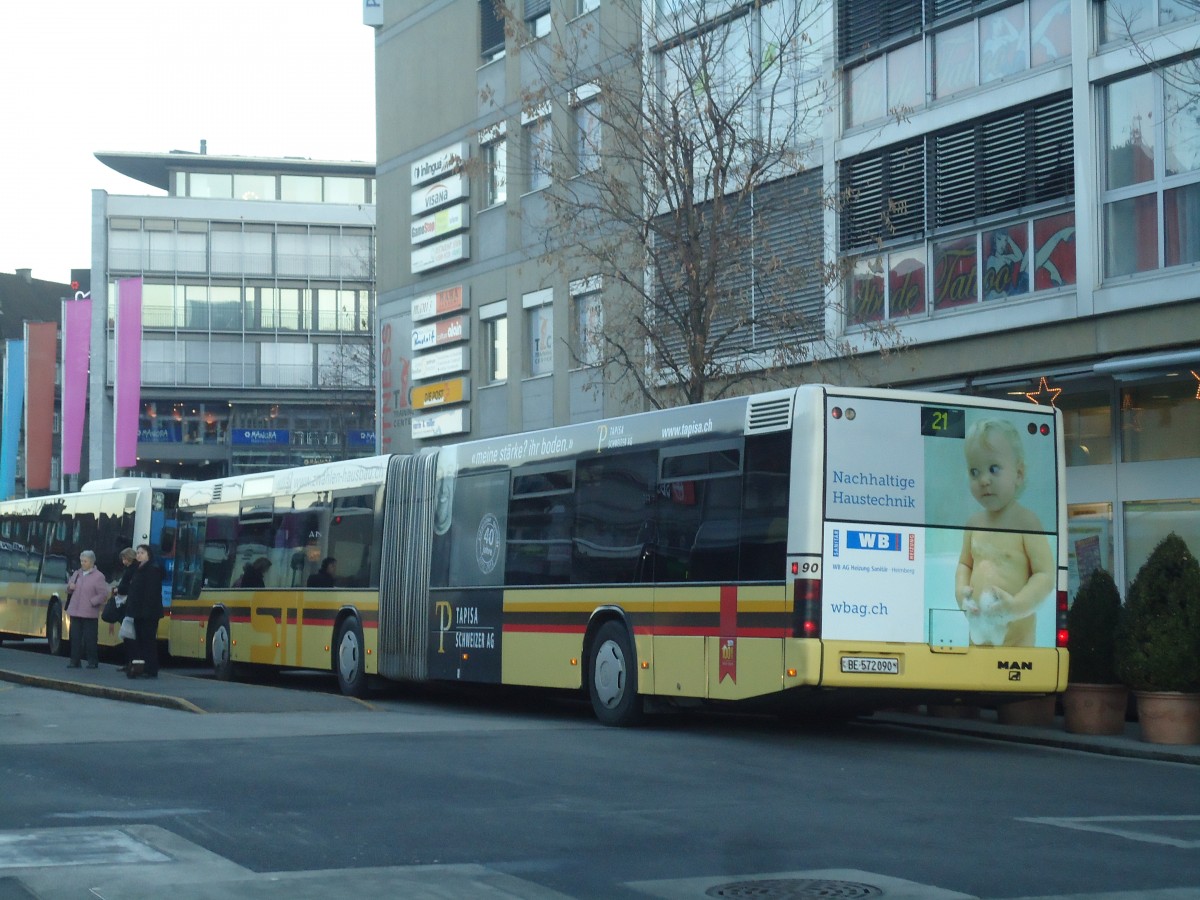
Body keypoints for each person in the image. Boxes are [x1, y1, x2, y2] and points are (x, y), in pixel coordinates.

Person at [955, 419, 1055, 647]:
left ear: (1018, 474)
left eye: (993, 469)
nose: (984, 480)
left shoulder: (1026, 521)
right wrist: (961, 592)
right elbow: (965, 565)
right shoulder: (973, 523)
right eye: (974, 471)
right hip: (979, 634)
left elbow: (1045, 575)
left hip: (1017, 639)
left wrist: (1016, 607)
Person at [125, 544, 164, 679]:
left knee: (148, 641)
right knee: (140, 640)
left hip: (148, 613)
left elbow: (151, 594)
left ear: (148, 555)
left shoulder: (152, 569)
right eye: (137, 553)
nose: (139, 555)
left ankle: (151, 668)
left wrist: (145, 612)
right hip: (138, 612)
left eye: (142, 553)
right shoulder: (138, 569)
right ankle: (141, 666)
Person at [65, 550, 107, 669]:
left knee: (90, 638)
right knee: (75, 637)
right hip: (75, 611)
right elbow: (68, 589)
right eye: (81, 561)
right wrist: (70, 587)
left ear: (92, 562)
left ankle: (92, 661)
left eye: (85, 561)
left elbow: (103, 594)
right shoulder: (77, 574)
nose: (83, 563)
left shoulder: (98, 576)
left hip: (89, 613)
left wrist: (92, 602)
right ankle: (74, 661)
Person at [109, 547, 137, 672]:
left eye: (124, 559)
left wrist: (118, 590)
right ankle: (130, 662)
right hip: (127, 604)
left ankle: (131, 662)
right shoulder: (133, 569)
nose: (123, 561)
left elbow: (127, 587)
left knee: (128, 637)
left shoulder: (132, 570)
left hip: (127, 605)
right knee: (128, 636)